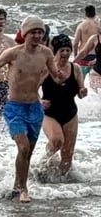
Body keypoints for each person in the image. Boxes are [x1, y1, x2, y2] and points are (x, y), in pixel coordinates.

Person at [0, 15, 60, 203]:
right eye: (33, 32)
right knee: (23, 147)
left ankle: (17, 186)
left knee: (27, 152)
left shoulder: (46, 53)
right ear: (25, 34)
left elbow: (55, 75)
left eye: (40, 32)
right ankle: (24, 189)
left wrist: (65, 78)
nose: (37, 35)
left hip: (34, 108)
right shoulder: (13, 53)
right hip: (14, 107)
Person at [41, 34, 86, 174]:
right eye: (62, 50)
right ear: (55, 51)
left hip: (70, 113)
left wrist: (83, 91)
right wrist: (39, 101)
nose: (66, 53)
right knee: (56, 141)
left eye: (68, 50)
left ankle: (61, 182)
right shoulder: (45, 68)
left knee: (67, 154)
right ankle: (43, 164)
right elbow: (30, 88)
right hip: (49, 113)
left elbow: (80, 92)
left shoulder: (76, 68)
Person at [72, 5, 99, 76]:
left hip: (83, 57)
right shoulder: (99, 26)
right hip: (97, 57)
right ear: (94, 13)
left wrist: (75, 56)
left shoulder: (81, 26)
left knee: (81, 81)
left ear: (86, 14)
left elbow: (75, 43)